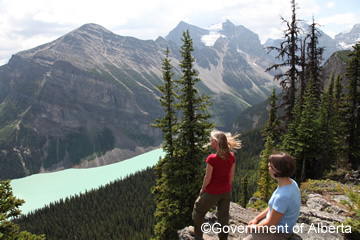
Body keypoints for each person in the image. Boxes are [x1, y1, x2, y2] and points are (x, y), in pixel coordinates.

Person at [191, 130, 241, 240]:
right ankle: (223, 238)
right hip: (226, 191)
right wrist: (226, 187)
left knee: (198, 211)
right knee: (223, 217)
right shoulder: (231, 156)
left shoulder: (212, 159)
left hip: (212, 191)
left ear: (216, 142)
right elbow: (231, 176)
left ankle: (198, 236)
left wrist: (203, 189)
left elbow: (207, 178)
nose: (210, 142)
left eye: (211, 140)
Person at [244, 152, 301, 240]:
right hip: (276, 226)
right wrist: (257, 218)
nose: (268, 167)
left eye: (270, 166)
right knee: (244, 233)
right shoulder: (291, 183)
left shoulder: (283, 195)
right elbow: (274, 207)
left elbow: (270, 224)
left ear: (277, 170)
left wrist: (254, 227)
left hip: (280, 232)